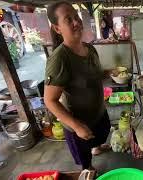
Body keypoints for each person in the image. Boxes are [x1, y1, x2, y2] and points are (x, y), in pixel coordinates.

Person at [44, 2, 110, 177]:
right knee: (84, 156)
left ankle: (97, 147)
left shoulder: (90, 48)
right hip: (78, 121)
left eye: (76, 16)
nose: (76, 22)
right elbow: (49, 100)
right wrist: (76, 125)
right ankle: (88, 168)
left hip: (98, 112)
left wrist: (110, 73)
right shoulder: (60, 59)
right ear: (57, 28)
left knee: (99, 136)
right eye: (68, 20)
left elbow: (93, 74)